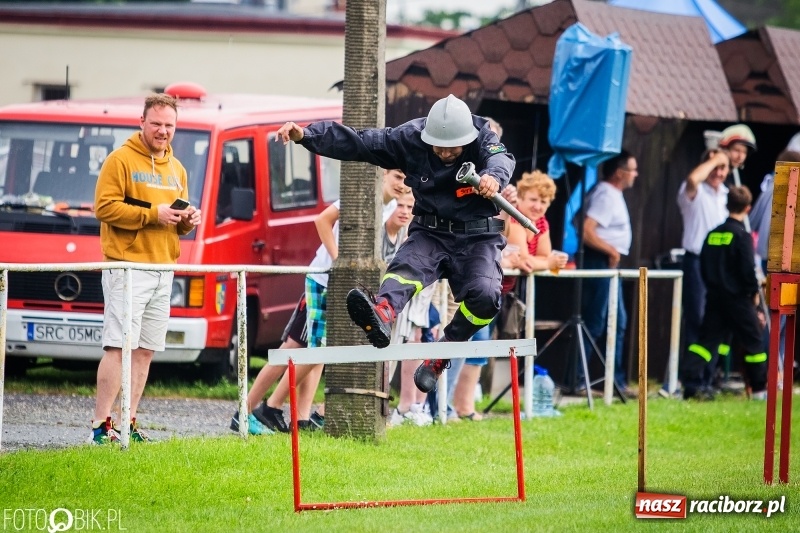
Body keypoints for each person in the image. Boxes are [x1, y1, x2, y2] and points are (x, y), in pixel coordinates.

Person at [276, 94, 515, 394]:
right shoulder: (410, 138)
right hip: (431, 231)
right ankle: (381, 313)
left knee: (486, 296)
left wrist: (493, 177)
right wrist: (307, 135)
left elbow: (501, 159)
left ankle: (444, 352)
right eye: (437, 146)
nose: (442, 153)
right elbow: (359, 141)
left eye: (451, 148)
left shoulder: (483, 136)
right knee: (405, 271)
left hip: (478, 236)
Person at [230, 169, 407, 434]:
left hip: (336, 284)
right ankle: (265, 408)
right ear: (383, 174)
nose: (402, 185)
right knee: (310, 350)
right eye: (398, 177)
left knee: (307, 350)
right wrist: (338, 263)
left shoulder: (390, 205)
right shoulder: (360, 197)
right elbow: (321, 220)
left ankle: (288, 416)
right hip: (323, 280)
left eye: (406, 180)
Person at [91, 93, 202, 444]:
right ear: (141, 123)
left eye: (169, 125)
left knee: (146, 349)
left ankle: (128, 423)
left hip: (163, 267)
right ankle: (100, 426)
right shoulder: (119, 160)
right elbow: (103, 208)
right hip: (127, 266)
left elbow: (175, 223)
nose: (163, 131)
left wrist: (187, 221)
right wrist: (152, 214)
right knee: (118, 345)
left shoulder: (177, 168)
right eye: (156, 123)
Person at [681, 186, 767, 400]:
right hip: (738, 300)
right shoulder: (742, 237)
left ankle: (689, 383)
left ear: (727, 204)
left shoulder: (711, 235)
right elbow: (748, 271)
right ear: (747, 208)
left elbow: (702, 265)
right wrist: (754, 295)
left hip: (714, 298)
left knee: (705, 343)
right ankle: (758, 391)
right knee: (754, 342)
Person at [580, 150, 637, 397]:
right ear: (619, 172)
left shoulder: (611, 193)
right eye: (633, 169)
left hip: (608, 262)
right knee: (595, 321)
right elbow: (586, 230)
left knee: (618, 323)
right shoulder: (605, 194)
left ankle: (615, 381)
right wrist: (611, 250)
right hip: (600, 260)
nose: (636, 174)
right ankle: (580, 379)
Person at [677, 149, 731, 349]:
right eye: (714, 167)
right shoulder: (694, 190)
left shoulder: (726, 195)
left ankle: (710, 374)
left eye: (723, 168)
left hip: (721, 264)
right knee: (697, 316)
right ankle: (693, 377)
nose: (718, 172)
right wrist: (717, 158)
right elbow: (693, 178)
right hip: (697, 261)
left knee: (718, 316)